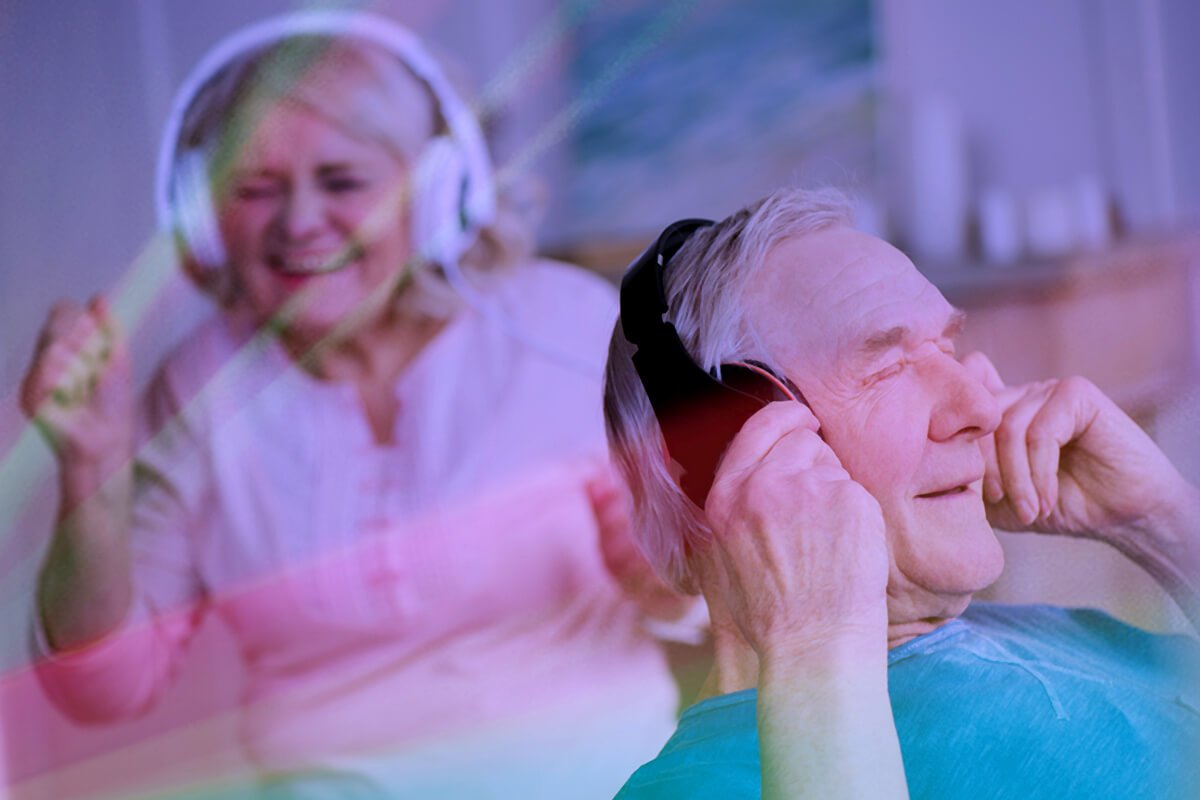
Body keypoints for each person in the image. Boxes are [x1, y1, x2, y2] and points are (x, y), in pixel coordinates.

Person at [19, 11, 683, 798]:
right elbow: (104, 689)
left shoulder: (563, 329)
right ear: (204, 219)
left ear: (438, 193)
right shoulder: (198, 388)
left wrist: (665, 565)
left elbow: (688, 594)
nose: (299, 223)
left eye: (342, 182)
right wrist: (90, 469)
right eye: (255, 189)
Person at [602, 187, 1200, 799]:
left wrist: (1163, 520)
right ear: (726, 449)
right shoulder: (693, 786)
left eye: (948, 349)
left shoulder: (1060, 635)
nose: (979, 407)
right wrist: (814, 650)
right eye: (887, 369)